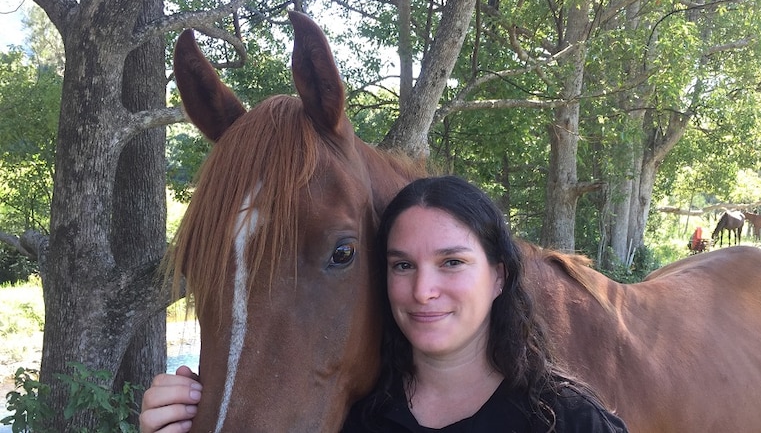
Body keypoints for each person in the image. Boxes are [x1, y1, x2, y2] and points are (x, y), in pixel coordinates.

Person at [140, 176, 628, 433]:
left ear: (499, 274)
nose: (422, 290)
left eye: (452, 263)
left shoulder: (568, 422)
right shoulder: (354, 418)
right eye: (401, 265)